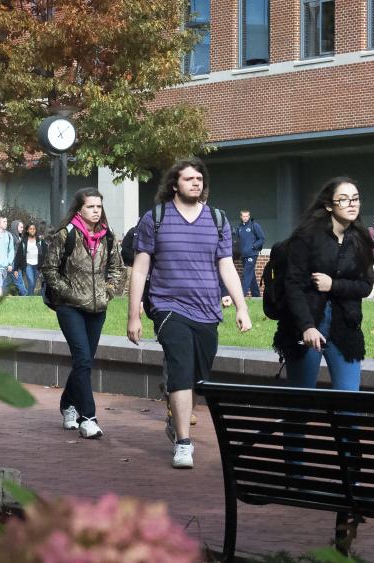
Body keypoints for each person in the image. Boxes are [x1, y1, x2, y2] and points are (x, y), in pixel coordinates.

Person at [127, 158, 251, 469]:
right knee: (181, 367)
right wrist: (134, 314)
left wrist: (242, 306)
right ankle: (184, 442)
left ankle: (175, 412)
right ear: (174, 184)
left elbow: (226, 266)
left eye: (199, 178)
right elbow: (140, 270)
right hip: (168, 306)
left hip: (207, 309)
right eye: (188, 179)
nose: (195, 183)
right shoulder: (155, 218)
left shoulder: (218, 220)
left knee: (197, 376)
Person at [273, 177, 374, 390]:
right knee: (301, 405)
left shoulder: (360, 239)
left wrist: (333, 285)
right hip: (306, 326)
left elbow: (366, 286)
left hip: (345, 326)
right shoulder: (307, 236)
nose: (352, 204)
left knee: (348, 402)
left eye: (355, 199)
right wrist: (306, 327)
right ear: (329, 205)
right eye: (344, 200)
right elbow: (293, 284)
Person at [43, 188, 125, 439]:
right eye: (91, 206)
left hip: (97, 308)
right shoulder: (65, 235)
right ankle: (87, 417)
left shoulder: (107, 237)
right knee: (82, 357)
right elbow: (49, 269)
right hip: (70, 307)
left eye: (99, 206)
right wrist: (66, 292)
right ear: (79, 209)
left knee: (84, 359)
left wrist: (107, 291)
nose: (96, 210)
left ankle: (67, 403)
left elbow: (117, 269)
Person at [235, 209, 265, 297]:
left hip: (252, 254)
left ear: (249, 216)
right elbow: (237, 241)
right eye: (243, 216)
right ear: (241, 217)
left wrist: (253, 246)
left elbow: (262, 238)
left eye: (247, 216)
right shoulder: (239, 228)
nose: (245, 218)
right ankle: (256, 296)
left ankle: (241, 296)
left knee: (246, 274)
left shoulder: (254, 225)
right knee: (251, 276)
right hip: (243, 256)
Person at [14, 223, 47, 295]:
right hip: (28, 265)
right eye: (30, 229)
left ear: (36, 230)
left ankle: (29, 297)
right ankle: (30, 298)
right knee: (31, 282)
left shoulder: (40, 241)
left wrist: (44, 265)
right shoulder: (24, 242)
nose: (32, 230)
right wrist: (15, 269)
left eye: (34, 229)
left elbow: (44, 254)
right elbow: (18, 255)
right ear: (28, 230)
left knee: (33, 284)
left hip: (37, 266)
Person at [8, 220, 29, 295]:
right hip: (13, 263)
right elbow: (10, 251)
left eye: (23, 227)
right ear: (15, 227)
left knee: (5, 283)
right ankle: (26, 299)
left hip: (17, 264)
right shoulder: (11, 237)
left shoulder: (19, 237)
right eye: (20, 227)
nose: (22, 229)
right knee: (19, 283)